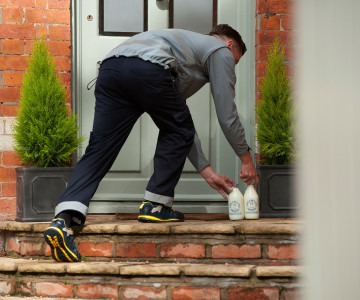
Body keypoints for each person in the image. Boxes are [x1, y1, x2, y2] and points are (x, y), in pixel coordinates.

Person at [44, 24, 259, 262]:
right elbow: (226, 114)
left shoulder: (181, 48)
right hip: (147, 69)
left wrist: (207, 173)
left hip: (110, 68)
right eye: (234, 62)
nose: (230, 68)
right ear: (229, 45)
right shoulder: (219, 49)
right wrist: (246, 159)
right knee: (178, 128)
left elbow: (178, 121)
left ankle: (63, 219)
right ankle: (155, 206)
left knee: (100, 148)